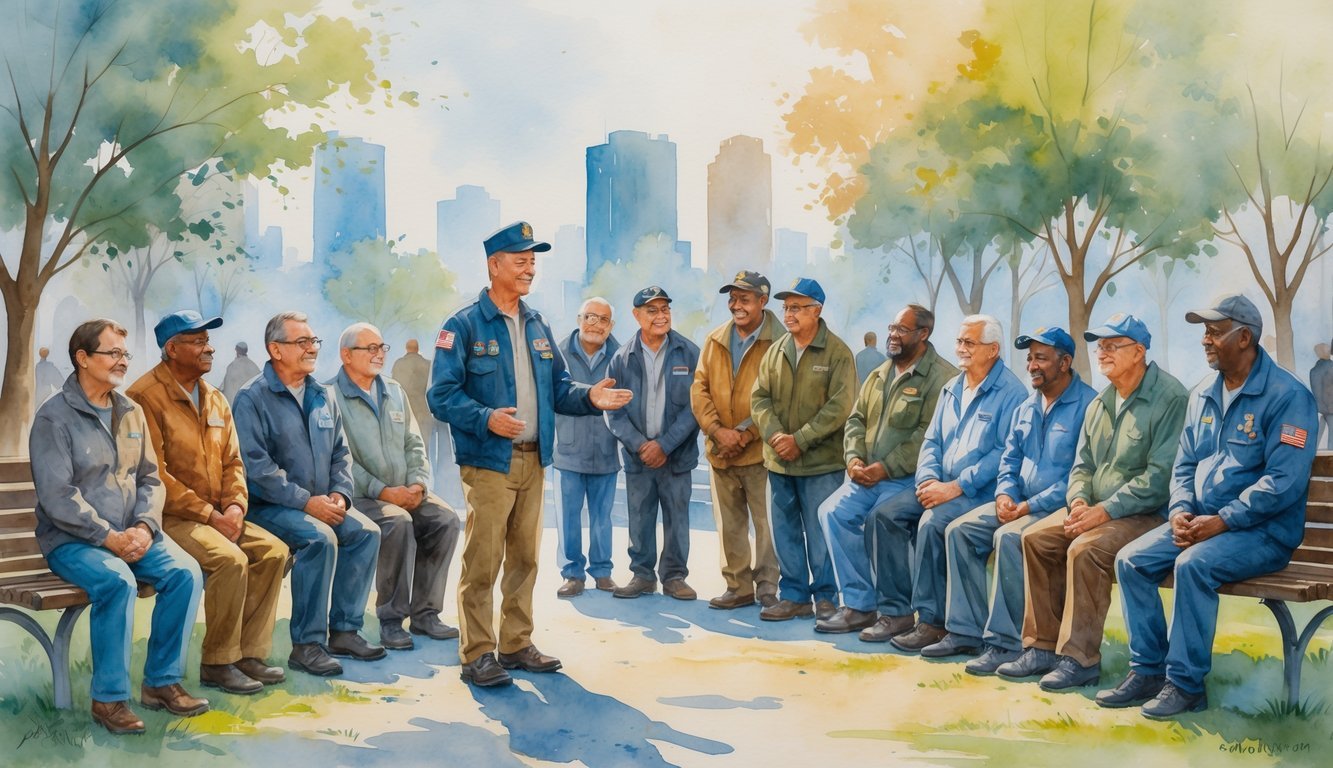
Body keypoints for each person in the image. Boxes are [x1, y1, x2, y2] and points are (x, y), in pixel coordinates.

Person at [428, 221, 631, 688]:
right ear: (494, 265)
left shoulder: (537, 323)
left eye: (533, 262)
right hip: (489, 462)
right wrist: (485, 418)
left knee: (525, 559)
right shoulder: (462, 325)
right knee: (483, 561)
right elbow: (440, 396)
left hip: (534, 460)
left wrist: (590, 396)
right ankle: (478, 653)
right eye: (521, 261)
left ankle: (516, 644)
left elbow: (558, 387)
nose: (529, 269)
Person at [1101, 295, 1318, 717]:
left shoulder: (1288, 395)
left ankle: (1186, 686)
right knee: (1130, 560)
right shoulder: (1202, 393)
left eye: (1215, 332)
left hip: (1264, 533)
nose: (1205, 340)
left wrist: (1222, 520)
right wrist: (1180, 509)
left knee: (1192, 564)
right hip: (1201, 523)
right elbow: (1184, 464)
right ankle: (1148, 671)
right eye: (1204, 332)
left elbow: (1283, 483)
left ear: (1245, 338)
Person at [31, 319, 207, 734]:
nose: (123, 361)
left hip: (132, 534)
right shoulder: (53, 417)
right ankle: (108, 700)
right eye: (113, 353)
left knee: (186, 573)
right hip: (73, 541)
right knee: (117, 582)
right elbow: (58, 497)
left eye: (125, 354)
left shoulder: (131, 411)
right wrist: (107, 536)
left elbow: (151, 479)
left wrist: (145, 527)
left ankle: (161, 683)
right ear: (82, 358)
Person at [997, 312, 1187, 692]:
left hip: (1146, 514)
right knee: (1035, 537)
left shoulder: (1171, 397)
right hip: (1097, 510)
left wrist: (1104, 510)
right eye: (1100, 346)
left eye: (1112, 346)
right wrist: (1080, 501)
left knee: (1085, 549)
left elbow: (1159, 478)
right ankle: (1041, 647)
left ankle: (1079, 660)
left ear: (1139, 352)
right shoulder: (1101, 403)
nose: (1102, 353)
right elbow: (1081, 466)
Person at [127, 311, 290, 695]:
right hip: (171, 518)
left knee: (273, 552)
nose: (210, 348)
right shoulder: (144, 397)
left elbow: (234, 462)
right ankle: (218, 663)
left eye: (208, 340)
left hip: (219, 515)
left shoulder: (215, 398)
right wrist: (209, 515)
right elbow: (154, 474)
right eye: (198, 341)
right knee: (229, 560)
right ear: (172, 349)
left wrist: (234, 507)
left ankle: (249, 654)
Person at [931, 327, 1095, 671]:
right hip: (1019, 503)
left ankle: (1005, 644)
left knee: (1008, 537)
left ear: (1065, 362)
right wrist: (1005, 493)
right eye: (1030, 358)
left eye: (1041, 358)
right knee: (960, 531)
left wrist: (1029, 506)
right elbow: (1009, 460)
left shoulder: (1088, 405)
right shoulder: (1027, 406)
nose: (1032, 365)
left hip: (1057, 507)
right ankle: (965, 631)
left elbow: (1079, 474)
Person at [233, 311, 385, 677]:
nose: (312, 348)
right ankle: (307, 645)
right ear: (276, 350)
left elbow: (341, 453)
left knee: (366, 532)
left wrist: (341, 495)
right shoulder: (251, 398)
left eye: (314, 341)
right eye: (302, 342)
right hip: (269, 507)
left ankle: (345, 632)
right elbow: (257, 469)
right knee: (320, 539)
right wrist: (306, 502)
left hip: (321, 502)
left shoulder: (322, 395)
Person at [866, 315, 1026, 652]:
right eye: (959, 342)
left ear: (993, 350)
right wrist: (927, 479)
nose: (961, 349)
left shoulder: (1012, 392)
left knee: (932, 523)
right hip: (939, 485)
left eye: (970, 343)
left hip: (979, 493)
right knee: (884, 515)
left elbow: (1003, 454)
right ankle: (896, 613)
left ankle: (933, 622)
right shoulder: (952, 387)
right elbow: (932, 440)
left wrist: (955, 487)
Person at [816, 305, 955, 635]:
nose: (893, 335)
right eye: (892, 327)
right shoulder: (879, 374)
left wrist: (887, 467)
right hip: (867, 476)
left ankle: (896, 612)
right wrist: (853, 459)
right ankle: (860, 605)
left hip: (909, 480)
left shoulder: (942, 378)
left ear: (923, 334)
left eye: (902, 330)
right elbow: (856, 420)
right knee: (832, 512)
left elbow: (927, 435)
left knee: (882, 519)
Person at [332, 323, 463, 650]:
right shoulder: (329, 396)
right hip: (359, 496)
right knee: (398, 522)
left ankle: (425, 614)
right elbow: (340, 459)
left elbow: (415, 444)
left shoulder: (394, 391)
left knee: (445, 519)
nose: (379, 354)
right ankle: (391, 620)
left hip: (404, 491)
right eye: (370, 348)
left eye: (382, 347)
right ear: (346, 355)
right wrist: (382, 491)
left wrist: (418, 484)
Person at [750, 278, 856, 622]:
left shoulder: (838, 353)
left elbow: (840, 406)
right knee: (784, 533)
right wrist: (776, 436)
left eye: (796, 307)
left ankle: (825, 597)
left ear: (817, 310)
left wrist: (801, 439)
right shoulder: (776, 350)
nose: (788, 314)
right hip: (779, 463)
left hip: (820, 465)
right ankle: (794, 596)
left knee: (820, 531)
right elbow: (759, 398)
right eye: (786, 307)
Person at [690, 270, 782, 609]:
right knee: (729, 525)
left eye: (744, 299)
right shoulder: (714, 339)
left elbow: (779, 397)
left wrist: (744, 433)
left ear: (763, 301)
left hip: (761, 453)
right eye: (732, 298)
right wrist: (717, 431)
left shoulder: (781, 342)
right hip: (720, 451)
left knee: (766, 524)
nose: (736, 305)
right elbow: (699, 389)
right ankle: (738, 587)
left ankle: (768, 586)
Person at [607, 286, 702, 600]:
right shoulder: (621, 358)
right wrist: (641, 445)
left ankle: (674, 577)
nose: (661, 316)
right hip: (639, 458)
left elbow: (696, 406)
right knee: (640, 518)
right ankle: (642, 576)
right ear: (637, 316)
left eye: (665, 309)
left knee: (677, 519)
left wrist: (665, 445)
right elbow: (614, 411)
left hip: (677, 457)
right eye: (652, 310)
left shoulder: (689, 353)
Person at [553, 298, 622, 597]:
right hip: (567, 450)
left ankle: (602, 572)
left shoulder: (621, 357)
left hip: (606, 449)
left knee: (602, 517)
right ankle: (572, 574)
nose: (596, 324)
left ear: (611, 326)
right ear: (579, 319)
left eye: (603, 319)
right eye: (590, 317)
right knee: (568, 517)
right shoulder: (558, 353)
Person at [391, 339, 436, 459]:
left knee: (405, 448)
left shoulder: (398, 364)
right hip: (424, 410)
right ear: (417, 348)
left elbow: (394, 388)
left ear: (407, 348)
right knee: (424, 449)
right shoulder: (428, 364)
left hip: (404, 411)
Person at [1311, 342, 1333, 449]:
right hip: (1330, 407)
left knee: (1320, 429)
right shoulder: (1331, 368)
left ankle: (1313, 449)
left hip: (1321, 407)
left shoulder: (1314, 370)